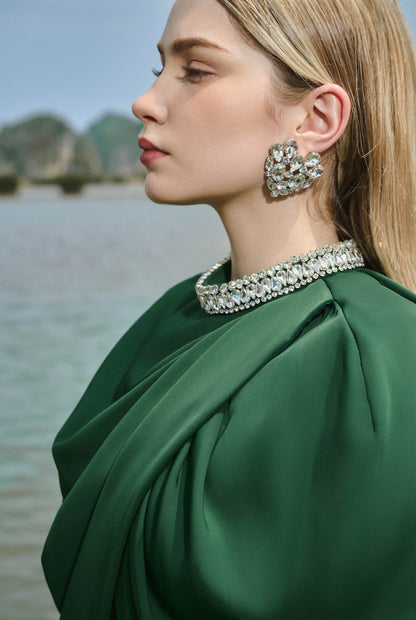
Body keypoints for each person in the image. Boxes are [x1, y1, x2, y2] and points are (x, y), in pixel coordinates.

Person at [42, 0, 416, 618]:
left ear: (316, 117)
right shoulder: (171, 316)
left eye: (195, 70)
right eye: (160, 68)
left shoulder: (374, 359)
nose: (144, 101)